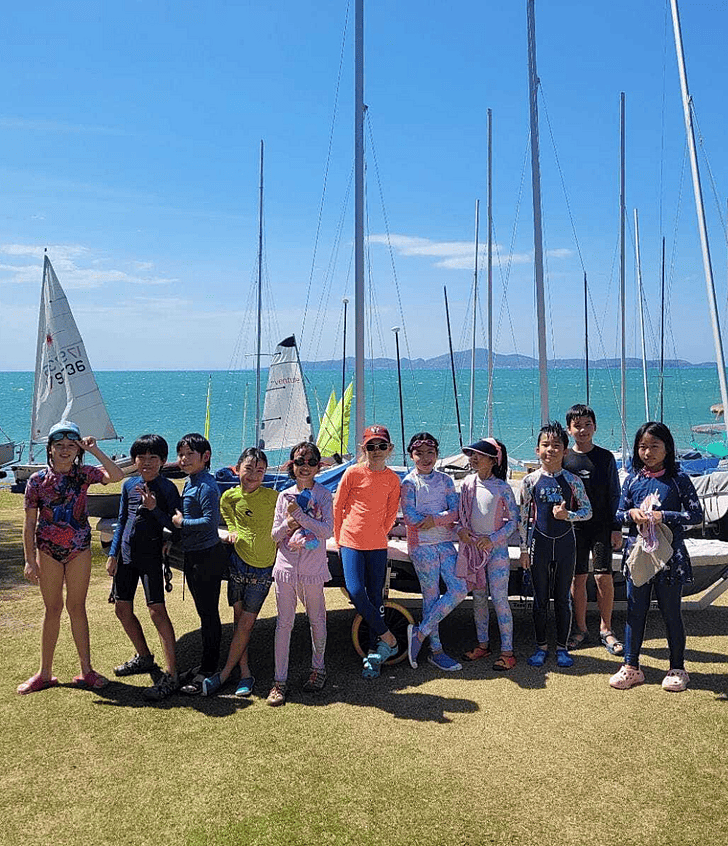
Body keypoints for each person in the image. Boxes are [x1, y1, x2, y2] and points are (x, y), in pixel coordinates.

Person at [19, 420, 124, 694]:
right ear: (50, 449)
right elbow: (29, 524)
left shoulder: (85, 474)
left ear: (78, 451)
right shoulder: (37, 481)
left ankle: (86, 670)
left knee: (77, 607)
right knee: (52, 609)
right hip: (48, 551)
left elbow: (116, 476)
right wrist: (30, 560)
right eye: (59, 446)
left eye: (70, 446)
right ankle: (44, 673)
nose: (65, 451)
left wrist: (96, 450)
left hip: (78, 550)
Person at [609, 422, 702, 692]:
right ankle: (631, 666)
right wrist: (631, 514)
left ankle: (677, 667)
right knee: (634, 612)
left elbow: (696, 516)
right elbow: (617, 514)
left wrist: (665, 516)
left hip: (669, 557)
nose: (647, 452)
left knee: (671, 612)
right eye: (642, 447)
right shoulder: (633, 480)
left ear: (667, 448)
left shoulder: (679, 479)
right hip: (637, 555)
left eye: (654, 446)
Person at [106, 434, 182, 701]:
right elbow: (122, 519)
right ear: (134, 460)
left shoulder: (168, 488)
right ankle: (145, 657)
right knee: (122, 609)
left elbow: (175, 525)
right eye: (141, 457)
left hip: (150, 557)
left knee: (156, 611)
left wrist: (154, 509)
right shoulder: (129, 485)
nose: (146, 462)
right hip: (126, 556)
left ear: (163, 461)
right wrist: (113, 554)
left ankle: (171, 674)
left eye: (153, 458)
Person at [201, 448, 278, 697]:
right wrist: (232, 529)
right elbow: (226, 512)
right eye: (249, 469)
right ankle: (244, 673)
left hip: (263, 567)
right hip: (237, 564)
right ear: (237, 469)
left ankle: (223, 675)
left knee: (246, 623)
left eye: (260, 470)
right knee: (238, 622)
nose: (254, 475)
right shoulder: (230, 496)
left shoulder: (275, 497)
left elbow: (295, 514)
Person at [264, 442, 333, 706]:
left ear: (318, 466)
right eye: (299, 461)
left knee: (317, 619)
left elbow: (327, 531)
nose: (305, 466)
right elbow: (275, 535)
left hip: (313, 570)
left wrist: (300, 518)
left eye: (311, 461)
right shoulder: (284, 496)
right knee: (284, 624)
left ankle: (319, 669)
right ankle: (279, 680)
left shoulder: (325, 496)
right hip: (286, 569)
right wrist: (290, 522)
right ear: (292, 465)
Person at [519, 421, 591, 669]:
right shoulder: (530, 481)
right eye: (545, 445)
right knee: (540, 599)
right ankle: (541, 647)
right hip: (539, 543)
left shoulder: (572, 481)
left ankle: (561, 647)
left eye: (556, 445)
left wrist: (567, 515)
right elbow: (522, 518)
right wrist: (524, 550)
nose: (551, 450)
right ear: (537, 450)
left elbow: (588, 511)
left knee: (562, 598)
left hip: (565, 544)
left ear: (565, 451)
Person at [333, 424, 401, 678]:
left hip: (377, 545)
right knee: (355, 591)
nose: (376, 450)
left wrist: (379, 532)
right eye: (371, 446)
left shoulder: (393, 479)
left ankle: (375, 653)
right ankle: (389, 638)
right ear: (364, 449)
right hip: (350, 542)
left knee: (375, 597)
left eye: (381, 446)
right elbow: (338, 506)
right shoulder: (352, 473)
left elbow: (392, 513)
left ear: (389, 449)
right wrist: (340, 540)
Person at [401, 432, 467, 672]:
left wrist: (434, 520)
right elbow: (409, 516)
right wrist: (432, 521)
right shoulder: (408, 483)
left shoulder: (446, 481)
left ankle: (419, 633)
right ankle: (436, 651)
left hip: (446, 543)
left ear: (437, 455)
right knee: (431, 598)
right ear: (411, 456)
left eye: (431, 453)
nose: (425, 458)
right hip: (421, 547)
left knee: (459, 589)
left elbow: (455, 511)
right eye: (420, 453)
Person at [563, 404, 624, 655]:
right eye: (577, 425)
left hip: (601, 526)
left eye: (587, 424)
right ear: (569, 429)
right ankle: (579, 629)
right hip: (574, 528)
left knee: (602, 576)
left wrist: (616, 527)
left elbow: (614, 494)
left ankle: (605, 629)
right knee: (577, 579)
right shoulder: (565, 458)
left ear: (595, 427)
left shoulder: (606, 457)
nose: (583, 429)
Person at [172, 433, 229, 695]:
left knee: (208, 614)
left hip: (207, 556)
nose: (183, 459)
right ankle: (205, 664)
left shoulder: (206, 485)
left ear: (205, 457)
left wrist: (182, 523)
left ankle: (209, 668)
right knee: (204, 612)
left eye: (189, 454)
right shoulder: (192, 482)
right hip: (195, 554)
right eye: (181, 454)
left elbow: (210, 521)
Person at [456, 438, 519, 671]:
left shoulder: (502, 487)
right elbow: (460, 516)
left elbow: (513, 522)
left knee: (500, 599)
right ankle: (483, 645)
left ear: (494, 460)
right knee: (479, 598)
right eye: (471, 454)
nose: (473, 458)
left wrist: (491, 540)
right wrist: (460, 531)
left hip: (497, 552)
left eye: (479, 455)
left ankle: (507, 652)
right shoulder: (467, 484)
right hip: (474, 551)